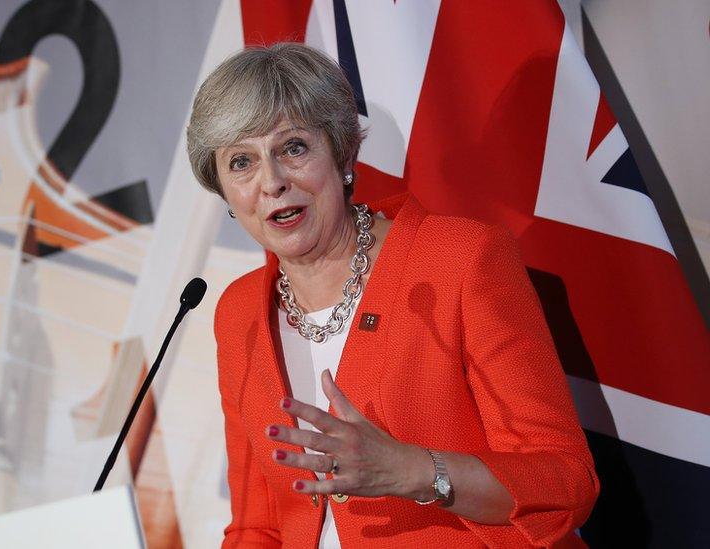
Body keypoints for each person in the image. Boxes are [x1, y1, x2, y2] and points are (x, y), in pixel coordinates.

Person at [186, 43, 599, 548]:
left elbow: (565, 480)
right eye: (241, 163)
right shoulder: (239, 312)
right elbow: (258, 526)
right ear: (224, 190)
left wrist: (413, 471)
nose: (271, 182)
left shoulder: (460, 260)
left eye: (293, 148)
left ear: (340, 153)